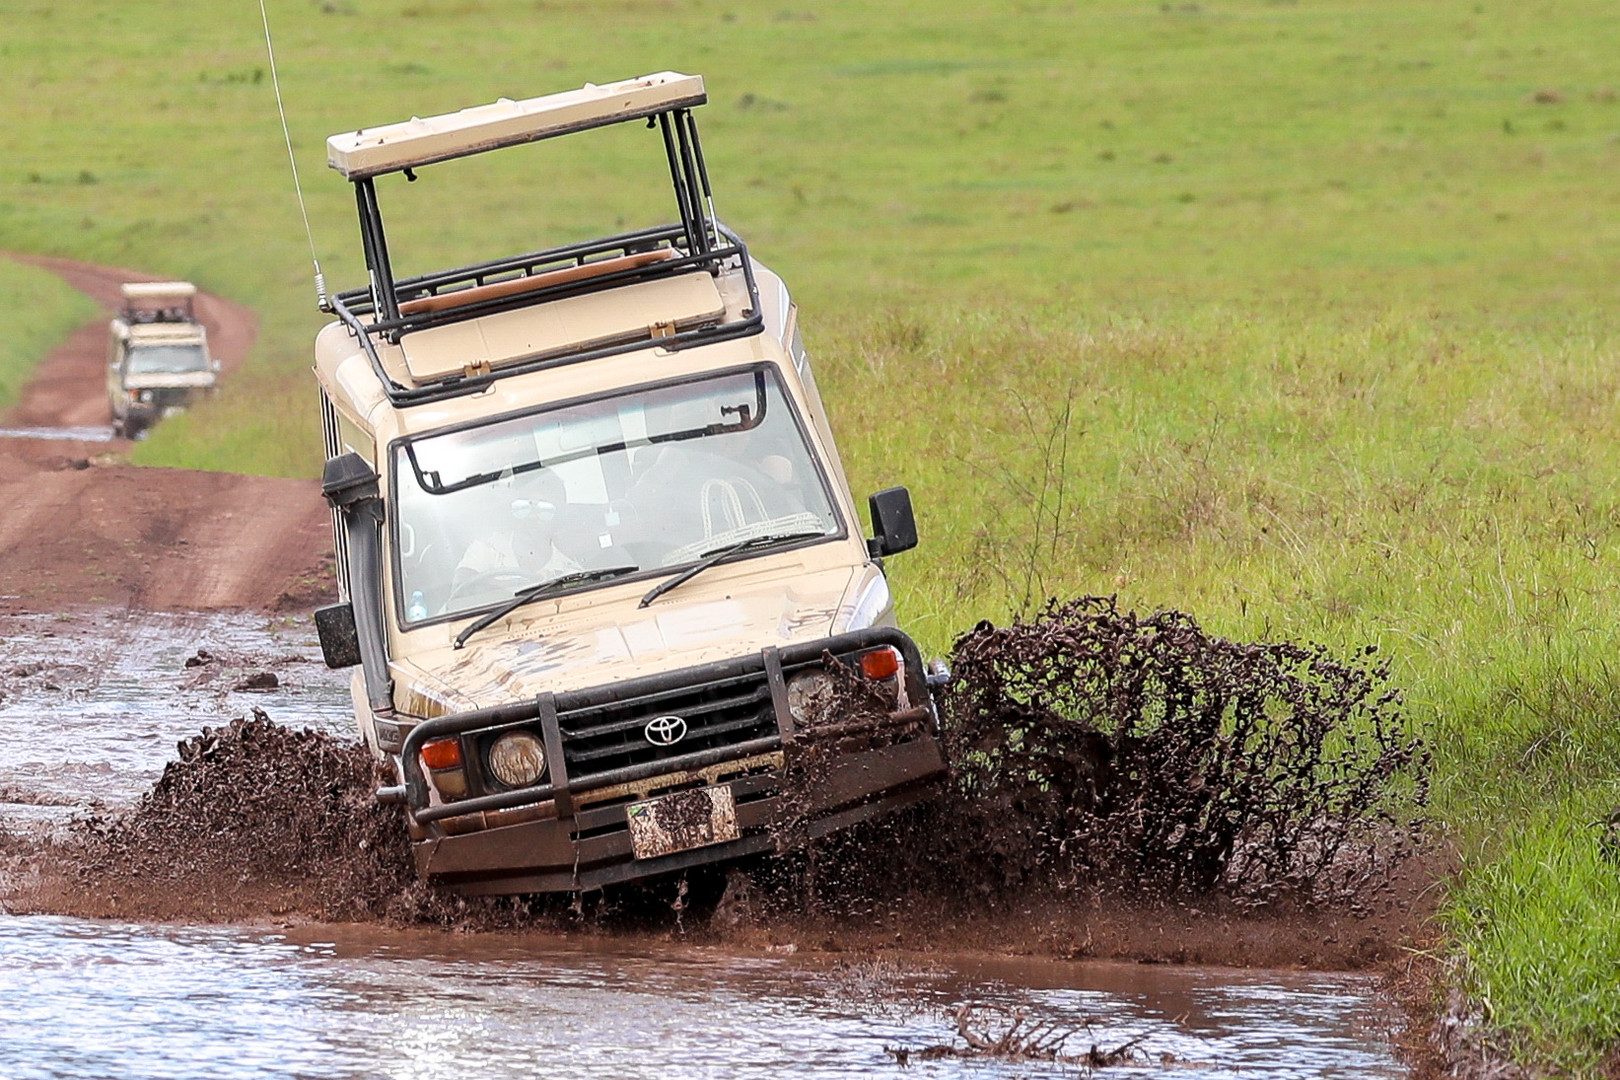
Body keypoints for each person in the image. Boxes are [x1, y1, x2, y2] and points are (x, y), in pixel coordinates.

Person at [452, 467, 580, 598]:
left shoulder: (570, 572)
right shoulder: (486, 549)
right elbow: (460, 587)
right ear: (512, 512)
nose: (532, 516)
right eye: (523, 507)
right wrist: (515, 586)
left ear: (556, 518)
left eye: (545, 510)